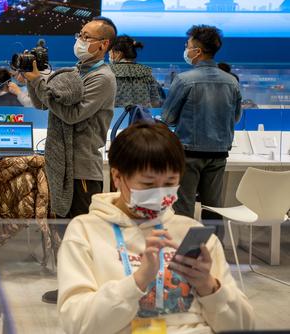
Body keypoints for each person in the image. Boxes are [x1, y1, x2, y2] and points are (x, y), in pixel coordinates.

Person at [57, 122, 254, 334]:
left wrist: (209, 286)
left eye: (170, 183)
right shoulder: (85, 231)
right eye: (148, 184)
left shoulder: (191, 232)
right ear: (117, 177)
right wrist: (138, 280)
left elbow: (243, 327)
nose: (160, 193)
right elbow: (77, 325)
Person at [24, 16, 118, 304]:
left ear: (103, 45)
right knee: (62, 228)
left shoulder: (102, 78)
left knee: (79, 232)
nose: (80, 40)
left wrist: (40, 83)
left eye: (87, 37)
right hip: (61, 163)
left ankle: (81, 289)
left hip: (81, 169)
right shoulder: (78, 71)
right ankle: (70, 286)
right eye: (81, 33)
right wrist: (35, 82)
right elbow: (44, 102)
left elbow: (72, 114)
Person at [162, 25, 242, 226]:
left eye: (187, 45)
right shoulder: (232, 82)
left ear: (197, 51)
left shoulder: (184, 80)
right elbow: (236, 117)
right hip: (219, 154)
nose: (186, 49)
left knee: (183, 210)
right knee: (213, 209)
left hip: (188, 154)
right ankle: (212, 251)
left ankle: (183, 254)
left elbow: (168, 117)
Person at [109, 35, 163, 108]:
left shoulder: (108, 72)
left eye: (110, 52)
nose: (109, 55)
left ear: (118, 53)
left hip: (116, 118)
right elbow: (155, 102)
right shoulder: (146, 72)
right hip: (141, 117)